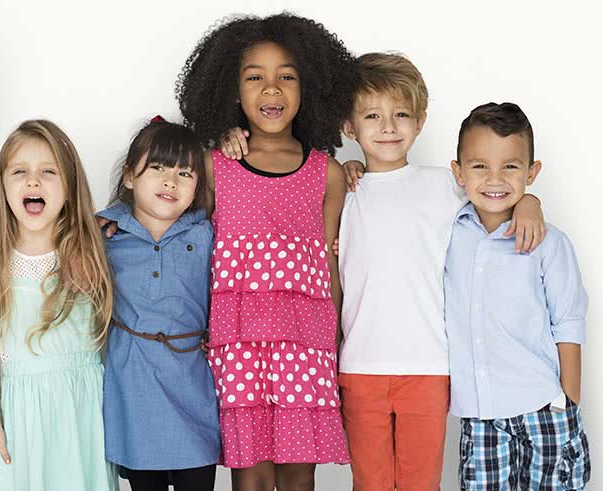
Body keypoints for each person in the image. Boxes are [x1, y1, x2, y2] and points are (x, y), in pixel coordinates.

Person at [219, 52, 546, 490]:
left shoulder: (444, 186)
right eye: (373, 116)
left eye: (401, 115)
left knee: (420, 483)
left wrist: (529, 202)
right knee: (369, 482)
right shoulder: (342, 186)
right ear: (348, 127)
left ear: (420, 122)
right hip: (359, 365)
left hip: (428, 366)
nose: (388, 126)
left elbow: (494, 193)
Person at [175, 13, 357, 490]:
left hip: (305, 341)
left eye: (287, 77)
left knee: (299, 476)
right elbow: (182, 239)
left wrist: (338, 338)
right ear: (232, 91)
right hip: (237, 343)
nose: (271, 89)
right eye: (255, 77)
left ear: (308, 87)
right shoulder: (214, 167)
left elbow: (330, 262)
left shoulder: (327, 173)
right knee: (249, 475)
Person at [446, 102, 590, 490]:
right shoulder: (447, 233)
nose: (495, 179)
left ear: (531, 172)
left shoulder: (549, 243)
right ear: (458, 172)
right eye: (479, 166)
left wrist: (568, 402)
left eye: (510, 166)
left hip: (543, 405)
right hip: (481, 415)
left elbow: (568, 322)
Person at [0, 120, 117, 490]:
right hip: (24, 416)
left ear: (69, 186)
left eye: (48, 172)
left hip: (84, 410)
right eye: (20, 171)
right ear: (2, 186)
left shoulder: (90, 252)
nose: (33, 181)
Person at [99, 117, 220, 491]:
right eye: (158, 168)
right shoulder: (105, 235)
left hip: (191, 384)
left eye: (185, 173)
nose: (171, 182)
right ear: (129, 176)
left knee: (197, 476)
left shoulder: (207, 232)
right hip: (134, 387)